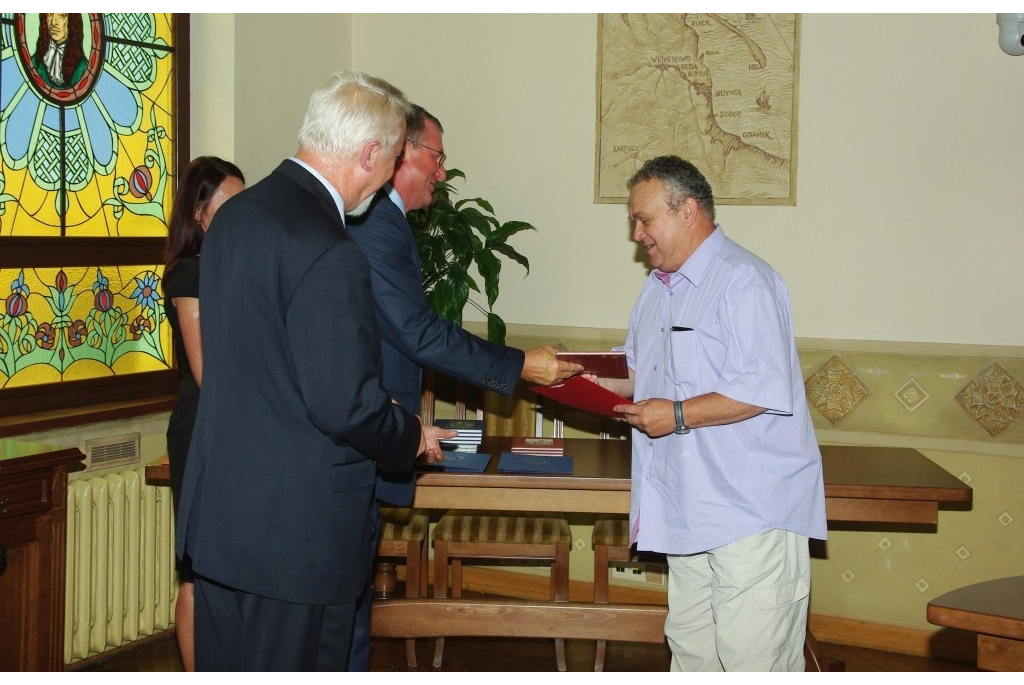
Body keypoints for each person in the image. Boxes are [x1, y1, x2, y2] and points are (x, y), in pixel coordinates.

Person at [174, 71, 452, 671]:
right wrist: (410, 435)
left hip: (223, 527)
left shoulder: (236, 220)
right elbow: (343, 403)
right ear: (369, 153)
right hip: (297, 541)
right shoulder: (329, 246)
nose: (387, 180)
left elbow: (258, 371)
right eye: (394, 158)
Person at [344, 105, 580, 670]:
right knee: (346, 605)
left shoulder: (385, 222)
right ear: (404, 152)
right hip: (364, 433)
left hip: (380, 423)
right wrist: (520, 365)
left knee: (350, 601)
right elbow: (417, 332)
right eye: (438, 157)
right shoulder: (375, 226)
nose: (443, 174)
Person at [597, 156, 827, 671]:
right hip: (687, 506)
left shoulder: (744, 280)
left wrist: (675, 414)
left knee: (753, 661)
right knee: (693, 653)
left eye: (644, 219)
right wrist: (573, 374)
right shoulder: (657, 289)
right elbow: (639, 372)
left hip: (750, 512)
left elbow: (761, 388)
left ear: (688, 211)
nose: (637, 234)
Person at [162, 155, 245, 672]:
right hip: (203, 431)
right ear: (200, 214)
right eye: (230, 207)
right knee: (196, 571)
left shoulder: (234, 266)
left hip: (236, 427)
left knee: (232, 568)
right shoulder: (189, 273)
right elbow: (207, 372)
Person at [32, 13, 87, 88]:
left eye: (62, 16)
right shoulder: (34, 62)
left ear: (72, 21)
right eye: (50, 15)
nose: (53, 22)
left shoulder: (83, 68)